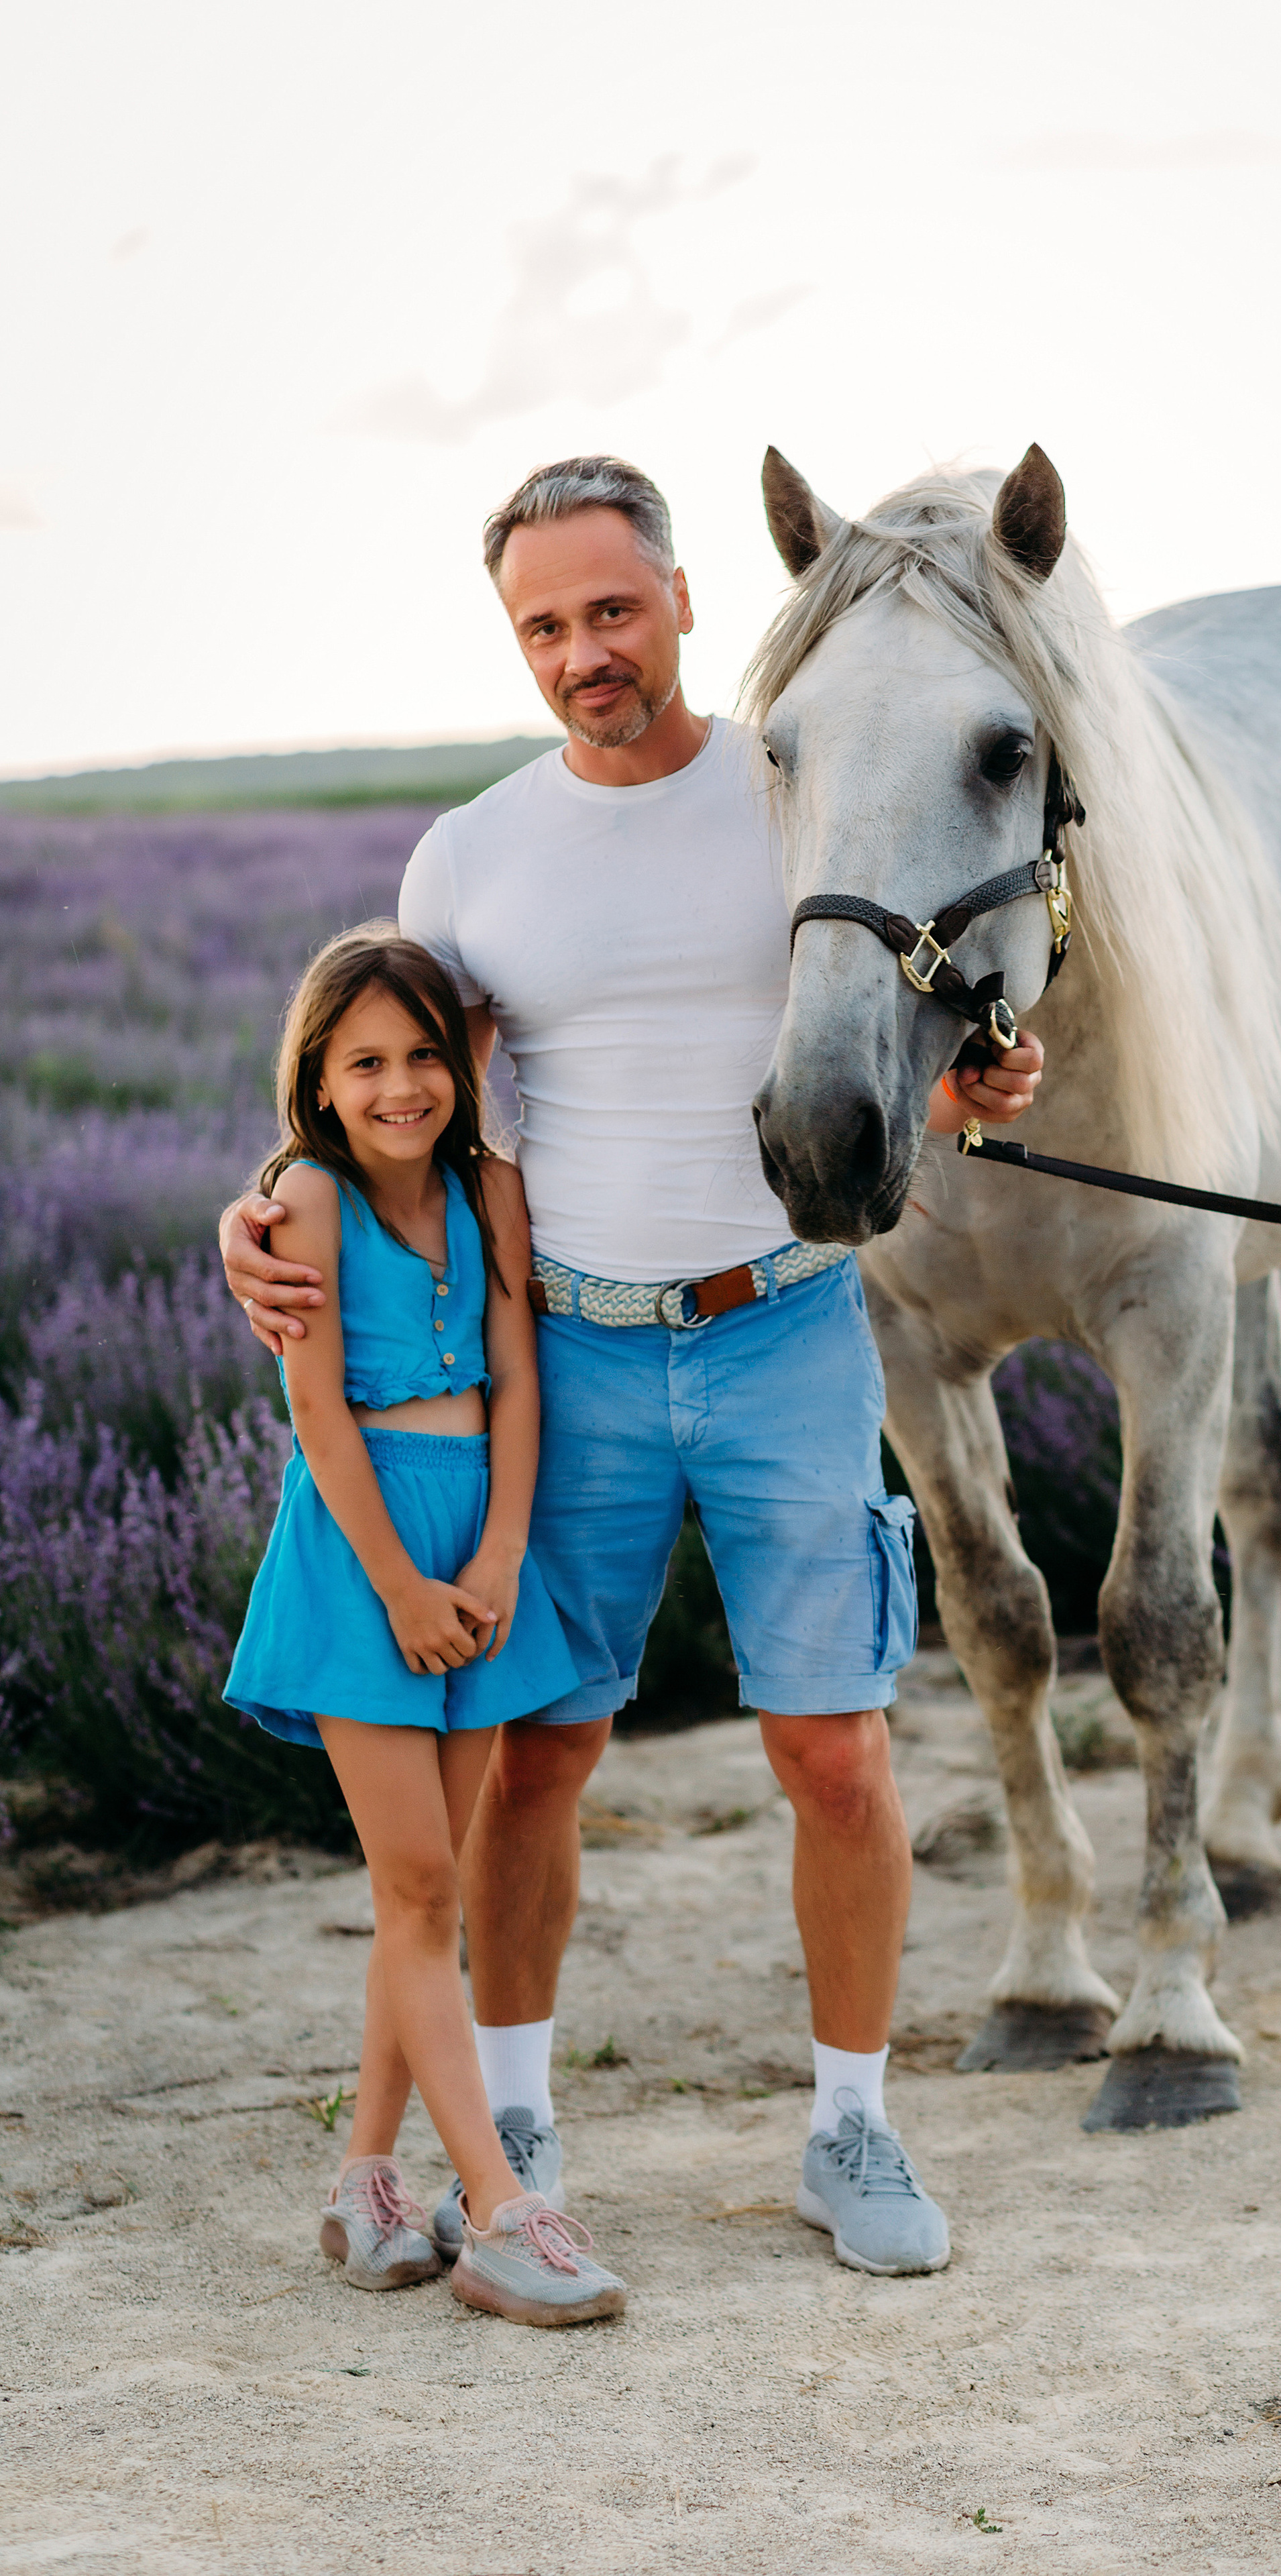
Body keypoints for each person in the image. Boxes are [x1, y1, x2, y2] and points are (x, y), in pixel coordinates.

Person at [221, 455, 1044, 2282]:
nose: (584, 650)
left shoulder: (798, 785)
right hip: (570, 1358)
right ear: (517, 642)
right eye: (545, 625)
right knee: (537, 1758)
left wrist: (983, 1078)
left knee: (834, 1753)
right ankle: (512, 2116)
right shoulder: (472, 855)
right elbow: (391, 1103)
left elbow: (919, 1010)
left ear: (681, 600)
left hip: (786, 1329)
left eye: (612, 608)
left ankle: (850, 2128)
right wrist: (260, 1203)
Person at [224, 925, 624, 2328]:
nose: (400, 1087)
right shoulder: (308, 1200)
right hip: (365, 1556)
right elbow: (318, 1415)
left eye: (422, 1056)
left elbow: (519, 1381)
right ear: (318, 1084)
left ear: (460, 1065)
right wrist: (399, 1583)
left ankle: (364, 2181)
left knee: (431, 1889)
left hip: (478, 1545)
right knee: (416, 1890)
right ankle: (503, 2214)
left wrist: (503, 1551)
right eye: (365, 1064)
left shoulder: (490, 1189)